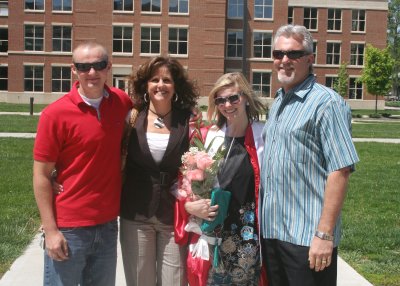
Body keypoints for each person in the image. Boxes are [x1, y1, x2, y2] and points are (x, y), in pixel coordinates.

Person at [259, 24, 360, 286]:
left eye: (293, 54)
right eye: (278, 54)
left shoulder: (327, 103)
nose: (284, 60)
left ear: (309, 59)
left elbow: (340, 170)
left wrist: (324, 235)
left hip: (307, 239)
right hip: (273, 233)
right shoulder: (279, 101)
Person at [33, 41, 133, 285]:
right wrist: (51, 230)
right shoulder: (55, 115)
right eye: (84, 66)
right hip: (69, 227)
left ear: (108, 67)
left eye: (99, 65)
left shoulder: (121, 102)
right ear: (73, 69)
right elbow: (41, 175)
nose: (92, 72)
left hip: (108, 224)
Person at [119, 56, 199, 286]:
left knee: (174, 281)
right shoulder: (132, 117)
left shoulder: (188, 120)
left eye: (167, 80)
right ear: (145, 85)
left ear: (176, 87)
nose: (160, 85)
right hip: (136, 212)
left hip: (173, 216)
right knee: (139, 281)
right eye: (154, 79)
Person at [185, 72, 268, 285]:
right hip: (216, 228)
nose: (227, 104)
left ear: (246, 98)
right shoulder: (208, 137)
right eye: (220, 100)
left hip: (248, 231)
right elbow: (187, 184)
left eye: (233, 98)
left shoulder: (264, 136)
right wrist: (191, 206)